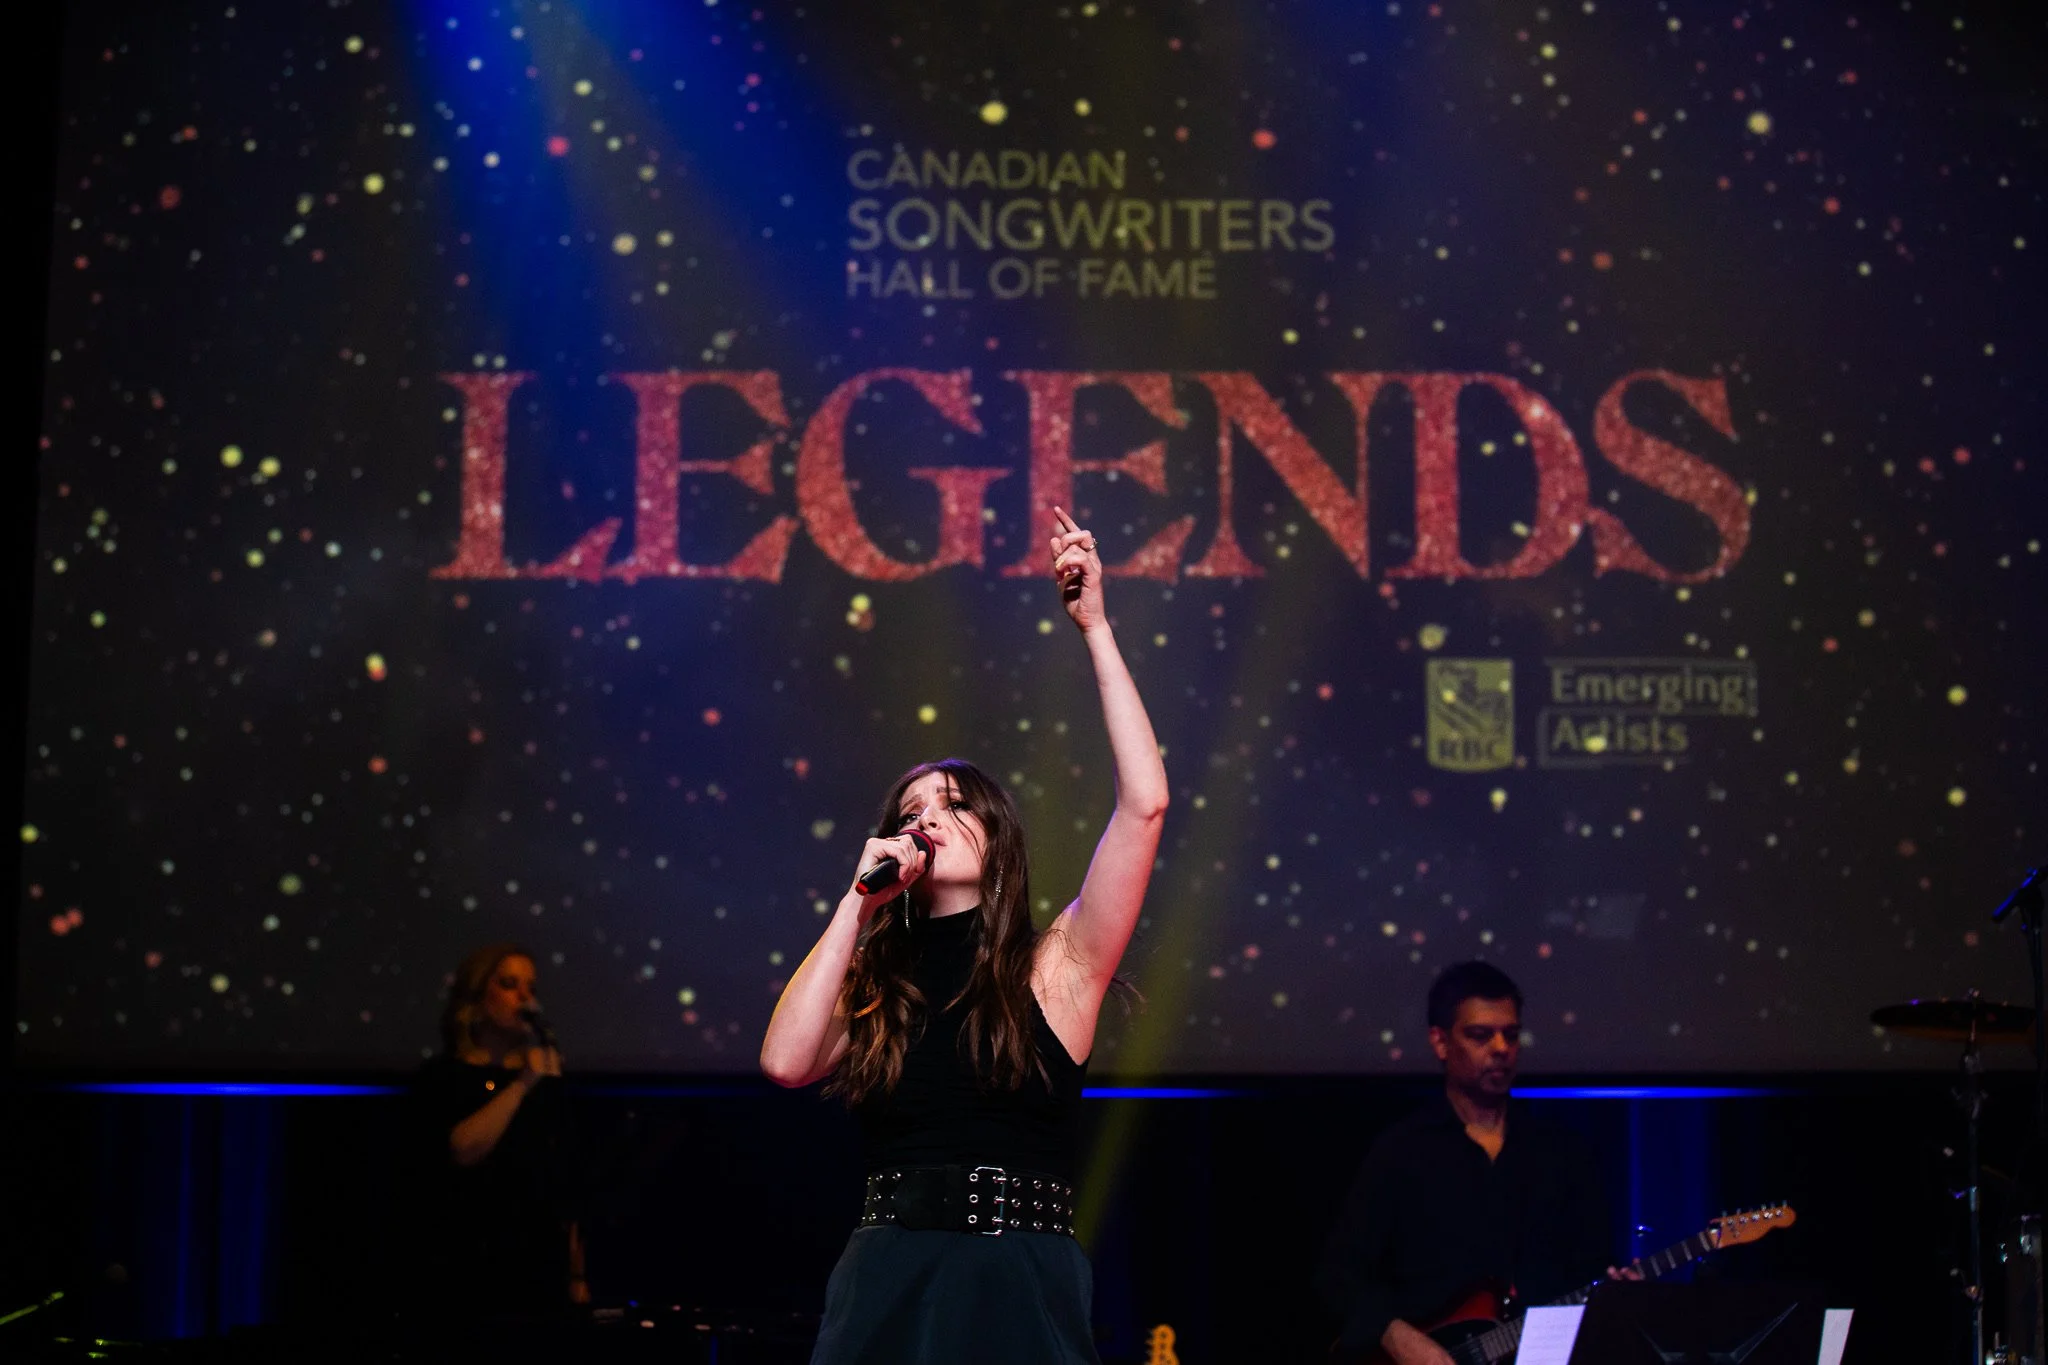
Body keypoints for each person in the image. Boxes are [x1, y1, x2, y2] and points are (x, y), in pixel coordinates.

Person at [760, 507, 1169, 1365]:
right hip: (889, 1270)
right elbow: (787, 1062)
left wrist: (1095, 628)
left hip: (1013, 1276)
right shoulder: (879, 976)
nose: (928, 818)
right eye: (911, 811)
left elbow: (1145, 804)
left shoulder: (1056, 962)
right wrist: (857, 906)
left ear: (998, 835)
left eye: (952, 805)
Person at [1317, 962, 1632, 1365]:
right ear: (1440, 1042)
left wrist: (1618, 1293)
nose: (1501, 1048)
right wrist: (1397, 1336)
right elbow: (1339, 1275)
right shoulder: (1402, 1151)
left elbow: (1591, 1273)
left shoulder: (1562, 1154)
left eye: (1511, 1035)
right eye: (1481, 1035)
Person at [407, 942, 588, 1321]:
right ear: (477, 996)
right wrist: (523, 1084)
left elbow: (566, 1182)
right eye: (509, 984)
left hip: (536, 1269)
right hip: (465, 1265)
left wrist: (576, 1275)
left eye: (531, 988)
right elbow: (462, 1149)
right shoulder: (444, 1077)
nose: (524, 997)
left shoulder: (543, 1078)